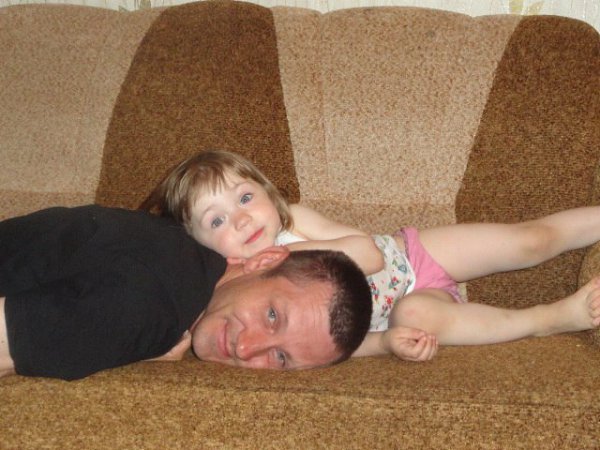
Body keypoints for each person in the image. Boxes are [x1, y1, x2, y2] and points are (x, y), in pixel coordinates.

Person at [143, 150, 600, 362]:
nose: (241, 220)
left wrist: (284, 254)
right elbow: (322, 348)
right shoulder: (228, 296)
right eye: (216, 221)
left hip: (412, 257)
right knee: (417, 316)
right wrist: (384, 344)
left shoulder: (295, 220)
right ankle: (547, 319)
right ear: (199, 244)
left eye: (245, 198)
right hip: (398, 312)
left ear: (267, 192)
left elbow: (368, 254)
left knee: (528, 241)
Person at [0, 205, 372, 380]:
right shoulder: (152, 302)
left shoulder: (182, 257)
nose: (246, 348)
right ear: (264, 261)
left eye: (280, 358)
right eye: (272, 315)